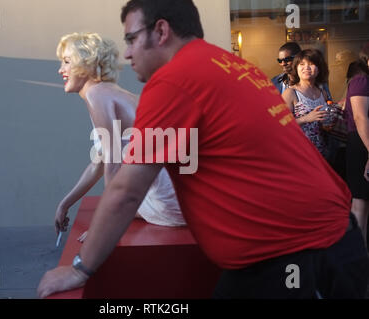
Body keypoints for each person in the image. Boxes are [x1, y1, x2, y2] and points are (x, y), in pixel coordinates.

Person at [38, 0, 369, 299]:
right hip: (334, 238)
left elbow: (126, 188)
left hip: (287, 252)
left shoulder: (171, 82)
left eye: (132, 40)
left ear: (161, 31)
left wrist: (80, 269)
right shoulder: (236, 67)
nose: (126, 54)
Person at [53, 32, 185, 238]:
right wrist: (65, 204)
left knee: (118, 209)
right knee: (123, 203)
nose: (61, 69)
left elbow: (112, 163)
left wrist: (103, 227)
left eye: (67, 62)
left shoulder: (96, 95)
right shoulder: (111, 92)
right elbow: (99, 162)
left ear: (85, 64)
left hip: (165, 199)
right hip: (178, 196)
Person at [282, 49, 332, 159]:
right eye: (302, 64)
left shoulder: (322, 92)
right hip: (299, 153)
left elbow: (324, 124)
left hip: (321, 152)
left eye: (311, 64)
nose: (306, 68)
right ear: (296, 68)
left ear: (319, 69)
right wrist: (306, 118)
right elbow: (281, 124)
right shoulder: (290, 93)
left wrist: (328, 123)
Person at [344, 59, 369, 246]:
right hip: (362, 144)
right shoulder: (361, 81)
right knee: (360, 203)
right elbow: (360, 117)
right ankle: (357, 253)